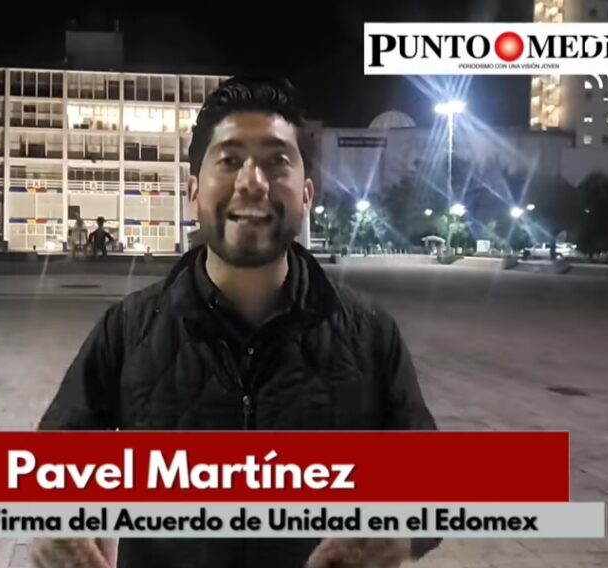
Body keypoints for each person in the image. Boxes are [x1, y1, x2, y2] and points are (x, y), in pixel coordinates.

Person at [35, 77, 440, 568]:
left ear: (306, 194)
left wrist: (401, 526)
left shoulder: (370, 333)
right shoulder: (128, 329)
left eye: (277, 161)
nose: (252, 182)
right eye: (229, 160)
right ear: (193, 192)